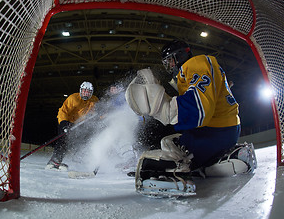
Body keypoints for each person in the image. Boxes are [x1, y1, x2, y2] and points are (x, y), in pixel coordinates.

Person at [125, 40, 256, 197]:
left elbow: (200, 110)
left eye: (170, 61)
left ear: (180, 56)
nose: (169, 66)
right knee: (170, 141)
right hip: (218, 131)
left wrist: (162, 109)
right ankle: (224, 159)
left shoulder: (197, 64)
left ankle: (176, 171)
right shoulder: (186, 75)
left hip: (214, 132)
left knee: (168, 146)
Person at [46, 81, 99, 171]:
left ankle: (78, 159)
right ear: (80, 91)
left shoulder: (94, 100)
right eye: (84, 91)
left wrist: (100, 114)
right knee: (63, 140)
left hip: (79, 123)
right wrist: (63, 124)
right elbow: (63, 111)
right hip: (67, 121)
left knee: (83, 140)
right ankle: (55, 161)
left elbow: (96, 112)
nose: (86, 93)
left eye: (88, 92)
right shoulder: (73, 98)